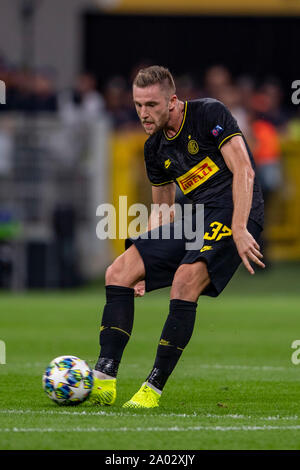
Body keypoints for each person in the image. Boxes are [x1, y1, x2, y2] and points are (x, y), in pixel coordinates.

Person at [90, 66, 265, 409]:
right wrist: (147, 263)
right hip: (197, 218)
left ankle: (152, 388)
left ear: (172, 101)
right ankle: (104, 378)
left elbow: (244, 169)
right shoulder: (154, 148)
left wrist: (241, 227)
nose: (143, 113)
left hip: (235, 211)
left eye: (151, 104)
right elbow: (162, 210)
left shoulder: (209, 113)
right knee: (119, 272)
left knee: (185, 280)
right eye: (138, 104)